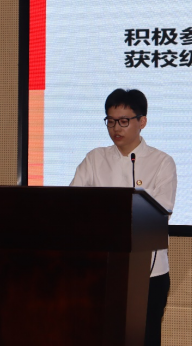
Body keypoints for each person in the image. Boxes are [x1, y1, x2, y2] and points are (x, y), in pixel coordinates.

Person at [70, 88, 177, 346]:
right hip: (101, 270)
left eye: (124, 121)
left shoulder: (162, 162)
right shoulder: (95, 158)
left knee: (144, 338)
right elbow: (72, 203)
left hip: (148, 273)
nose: (116, 128)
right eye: (110, 121)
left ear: (142, 121)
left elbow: (161, 211)